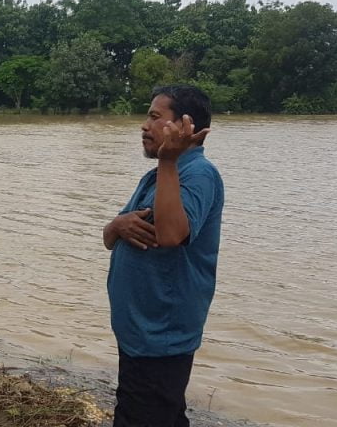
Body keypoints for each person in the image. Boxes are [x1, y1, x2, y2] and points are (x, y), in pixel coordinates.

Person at [103, 85, 224, 427]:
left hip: (161, 336)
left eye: (156, 117)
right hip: (141, 331)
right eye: (148, 116)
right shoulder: (156, 176)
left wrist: (169, 160)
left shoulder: (198, 174)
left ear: (185, 126)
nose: (145, 125)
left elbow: (172, 235)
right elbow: (110, 238)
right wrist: (117, 225)